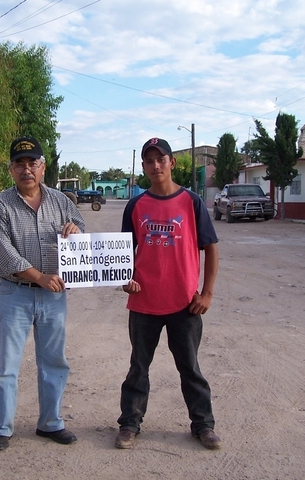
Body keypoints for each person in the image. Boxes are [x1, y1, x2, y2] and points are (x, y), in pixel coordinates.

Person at [115, 137, 221, 450]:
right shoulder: (136, 205)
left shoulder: (191, 202)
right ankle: (129, 424)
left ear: (171, 163)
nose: (156, 165)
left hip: (184, 305)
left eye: (161, 159)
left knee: (190, 369)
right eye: (149, 161)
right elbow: (123, 252)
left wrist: (207, 293)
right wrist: (126, 278)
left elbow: (211, 248)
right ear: (144, 166)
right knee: (138, 368)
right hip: (144, 304)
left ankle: (203, 426)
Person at [0, 136, 85, 452]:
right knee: (7, 365)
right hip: (14, 293)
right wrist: (39, 277)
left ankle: (51, 423)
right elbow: (5, 255)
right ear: (11, 169)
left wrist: (76, 232)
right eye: (20, 163)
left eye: (33, 163)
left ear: (43, 167)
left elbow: (81, 232)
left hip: (53, 296)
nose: (26, 169)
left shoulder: (62, 202)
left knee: (54, 361)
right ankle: (2, 428)